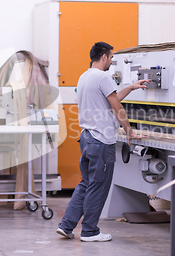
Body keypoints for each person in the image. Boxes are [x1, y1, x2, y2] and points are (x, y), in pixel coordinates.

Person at [57, 41, 149, 242]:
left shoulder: (85, 76)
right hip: (101, 140)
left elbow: (111, 98)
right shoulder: (103, 77)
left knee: (86, 183)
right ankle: (90, 231)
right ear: (104, 56)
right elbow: (117, 108)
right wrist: (129, 132)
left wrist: (131, 87)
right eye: (112, 57)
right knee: (98, 186)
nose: (112, 61)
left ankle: (66, 225)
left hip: (87, 137)